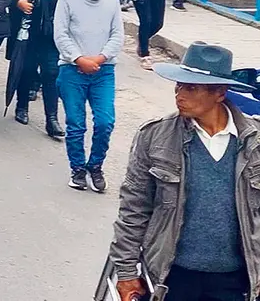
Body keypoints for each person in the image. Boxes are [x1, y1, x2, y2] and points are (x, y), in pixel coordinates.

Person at [109, 42, 260, 301]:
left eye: (191, 88)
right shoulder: (155, 137)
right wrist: (125, 272)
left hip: (234, 281)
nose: (179, 94)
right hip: (171, 276)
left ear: (220, 93)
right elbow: (133, 208)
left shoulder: (254, 141)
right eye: (179, 85)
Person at [53, 0, 124, 192]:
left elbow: (117, 35)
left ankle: (95, 165)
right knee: (76, 124)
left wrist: (100, 58)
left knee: (105, 121)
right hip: (72, 69)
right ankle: (77, 169)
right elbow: (61, 35)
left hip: (103, 70)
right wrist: (79, 59)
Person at [9, 0, 72, 137]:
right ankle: (22, 105)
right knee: (26, 68)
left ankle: (52, 118)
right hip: (27, 26)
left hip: (54, 27)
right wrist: (18, 2)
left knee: (51, 71)